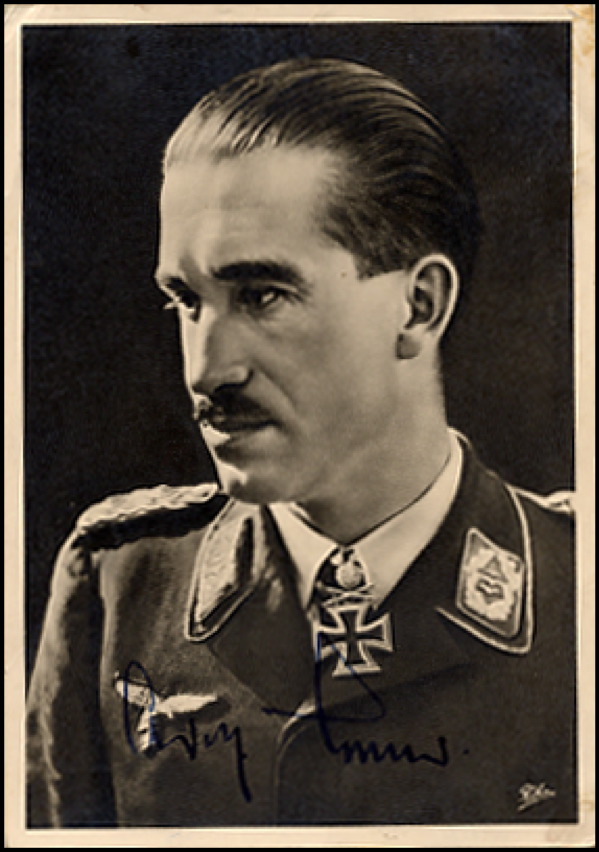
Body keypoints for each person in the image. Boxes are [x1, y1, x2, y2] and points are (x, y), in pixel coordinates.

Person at [27, 57, 576, 828]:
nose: (207, 369)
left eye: (262, 295)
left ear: (418, 306)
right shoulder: (121, 587)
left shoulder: (576, 592)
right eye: (186, 301)